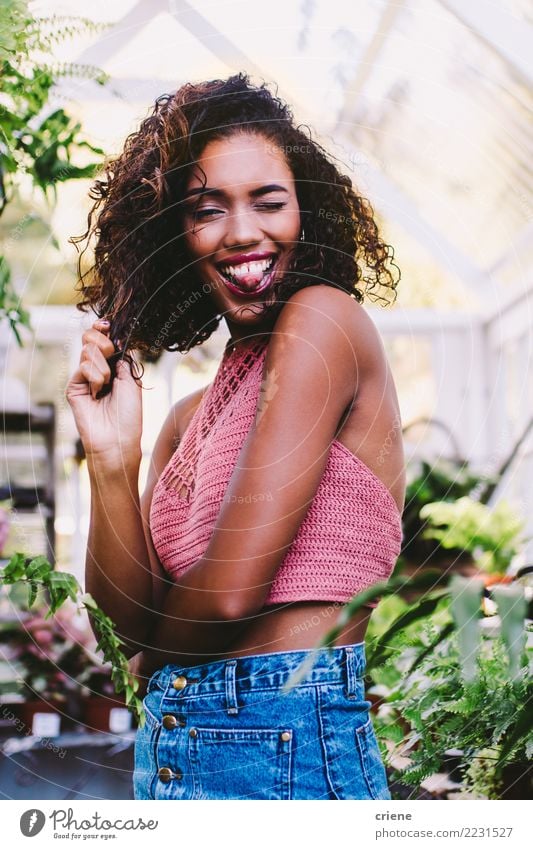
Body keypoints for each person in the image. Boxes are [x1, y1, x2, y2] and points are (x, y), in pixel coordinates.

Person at [66, 73, 405, 800]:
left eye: (268, 201)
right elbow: (124, 632)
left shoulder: (325, 324)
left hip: (287, 749)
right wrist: (111, 458)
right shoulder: (188, 419)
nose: (243, 231)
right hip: (174, 756)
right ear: (174, 235)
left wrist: (152, 650)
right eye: (206, 208)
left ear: (306, 212)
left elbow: (222, 599)